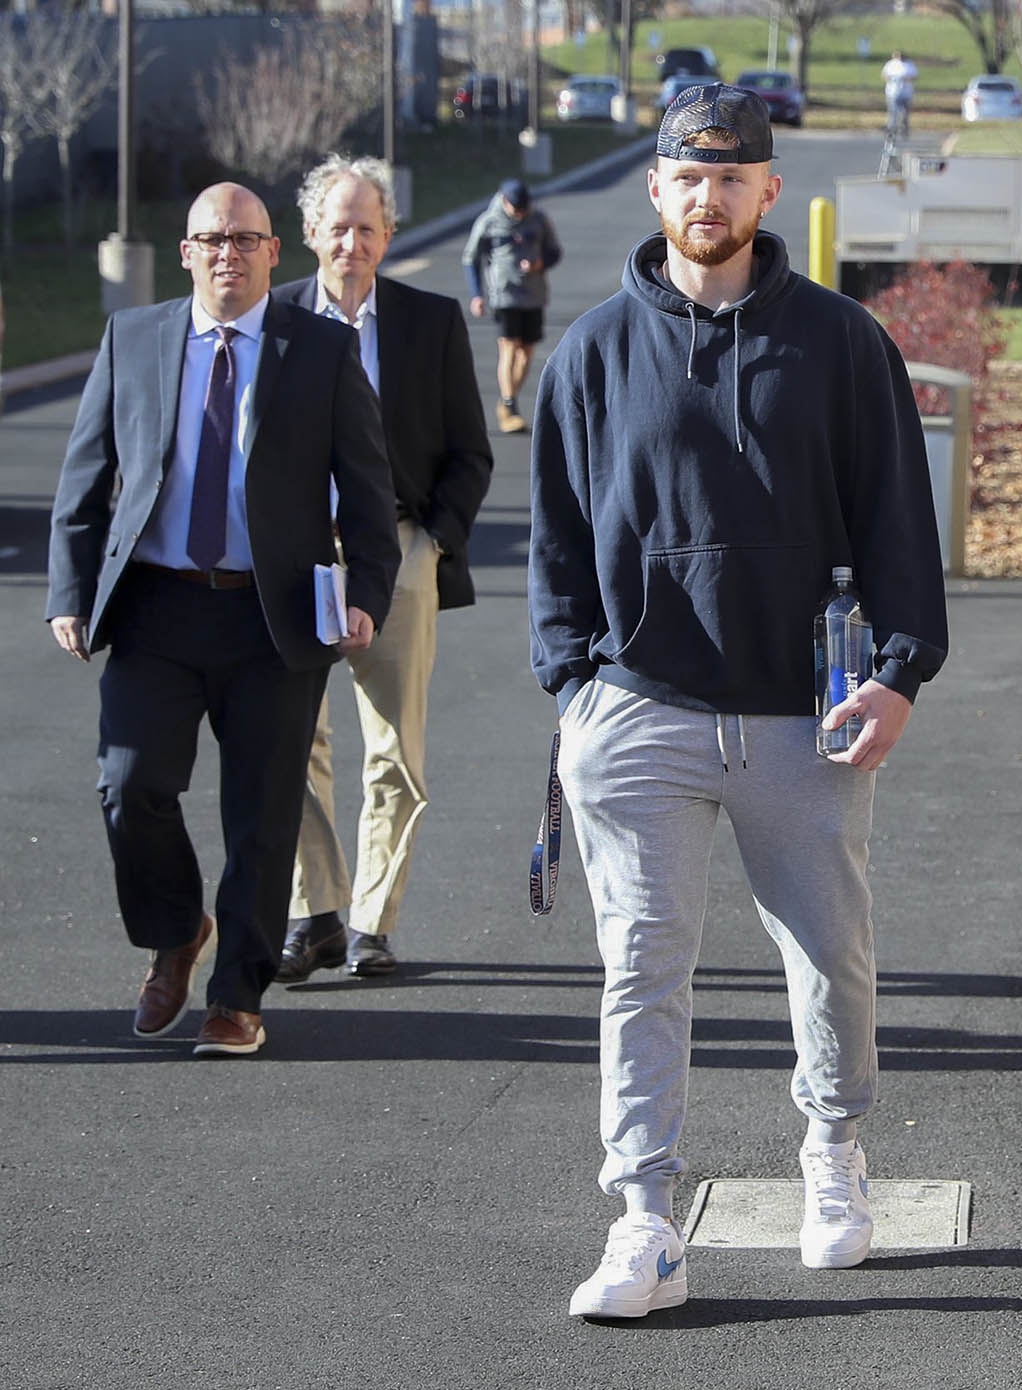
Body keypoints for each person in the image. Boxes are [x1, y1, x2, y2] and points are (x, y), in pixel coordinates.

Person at [530, 83, 948, 1318]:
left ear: (769, 192)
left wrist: (900, 667)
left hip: (801, 715)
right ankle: (644, 1218)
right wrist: (571, 685)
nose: (706, 197)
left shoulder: (840, 342)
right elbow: (553, 533)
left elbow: (895, 522)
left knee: (828, 957)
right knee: (641, 967)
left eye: (731, 177)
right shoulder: (594, 350)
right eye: (685, 176)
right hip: (639, 710)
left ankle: (833, 1159)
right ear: (655, 190)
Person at [44, 182, 401, 1058]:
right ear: (187, 252)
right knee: (129, 784)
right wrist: (71, 591)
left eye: (245, 241)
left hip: (271, 619)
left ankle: (237, 996)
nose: (228, 256)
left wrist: (365, 596)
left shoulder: (318, 349)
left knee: (263, 816)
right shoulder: (136, 338)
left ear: (275, 252)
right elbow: (85, 480)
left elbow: (367, 489)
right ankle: (176, 929)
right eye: (212, 240)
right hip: (157, 607)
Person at [274, 154, 495, 983]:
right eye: (339, 228)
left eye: (368, 228)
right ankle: (315, 912)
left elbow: (471, 453)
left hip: (400, 551)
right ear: (309, 236)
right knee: (294, 740)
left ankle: (373, 921)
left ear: (389, 234)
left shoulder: (430, 323)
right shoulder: (277, 321)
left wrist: (430, 546)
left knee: (394, 752)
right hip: (296, 557)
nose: (354, 243)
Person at [462, 177, 562, 435]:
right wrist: (477, 295)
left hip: (533, 294)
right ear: (504, 202)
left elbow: (555, 251)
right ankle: (509, 403)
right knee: (509, 346)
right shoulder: (488, 222)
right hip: (503, 294)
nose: (520, 214)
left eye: (523, 209)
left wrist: (540, 263)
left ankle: (509, 398)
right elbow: (471, 258)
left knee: (527, 350)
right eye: (516, 209)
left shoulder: (539, 219)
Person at [880, 50, 917, 136]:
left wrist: (906, 78)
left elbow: (915, 76)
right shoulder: (890, 65)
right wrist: (890, 79)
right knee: (893, 111)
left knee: (905, 112)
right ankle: (892, 128)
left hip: (906, 93)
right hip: (892, 92)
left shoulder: (909, 64)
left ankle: (904, 127)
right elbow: (884, 75)